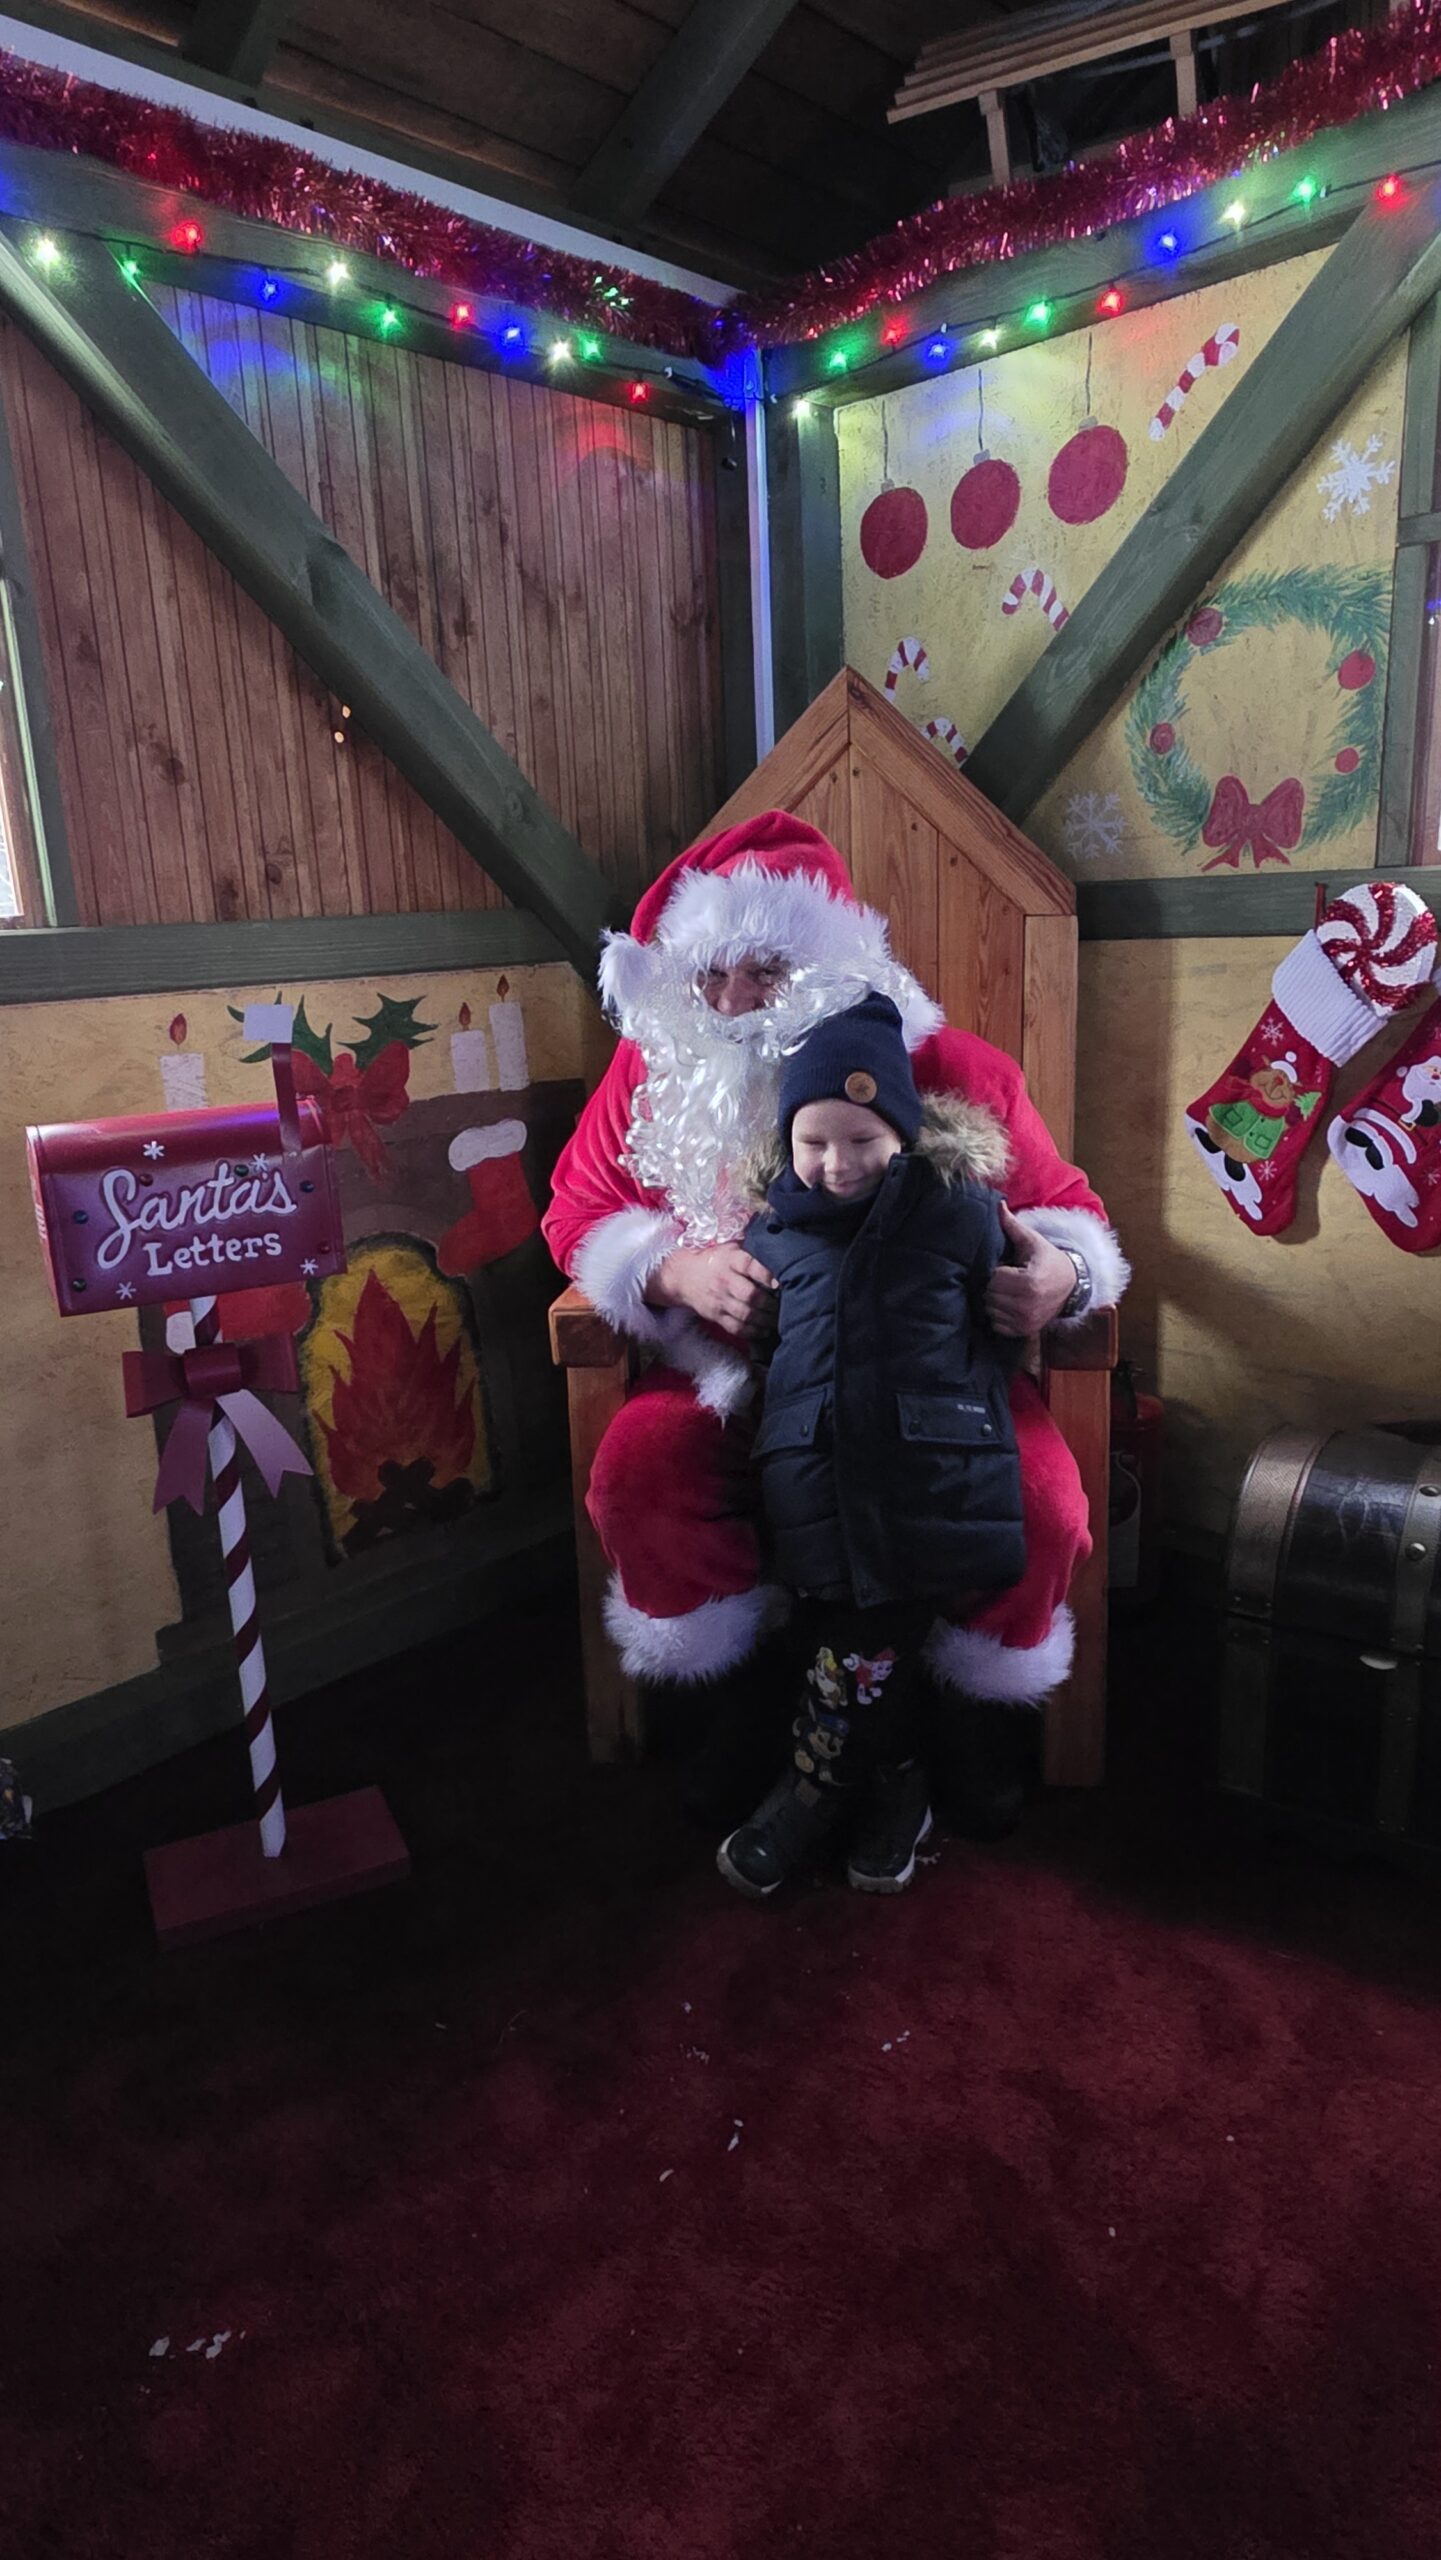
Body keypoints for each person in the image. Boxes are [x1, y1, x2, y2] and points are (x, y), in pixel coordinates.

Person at [541, 810, 1127, 1800]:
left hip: (935, 1377)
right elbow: (576, 1208)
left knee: (1042, 1504)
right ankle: (739, 1702)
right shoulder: (652, 1073)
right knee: (637, 1479)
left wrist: (1063, 1274)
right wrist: (671, 1272)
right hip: (730, 1374)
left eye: (764, 971)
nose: (731, 1001)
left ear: (827, 964)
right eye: (707, 974)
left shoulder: (948, 1066)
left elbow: (1065, 1209)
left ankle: (967, 1712)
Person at [716, 994, 1026, 1898]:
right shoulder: (774, 1231)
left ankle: (806, 1796)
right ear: (786, 1141)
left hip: (927, 1476)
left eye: (862, 1139)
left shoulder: (959, 1210)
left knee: (864, 1645)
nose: (836, 1163)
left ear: (902, 1132)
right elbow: (768, 1349)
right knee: (833, 1633)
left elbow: (1003, 1331)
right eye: (813, 1141)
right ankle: (900, 1786)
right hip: (813, 1473)